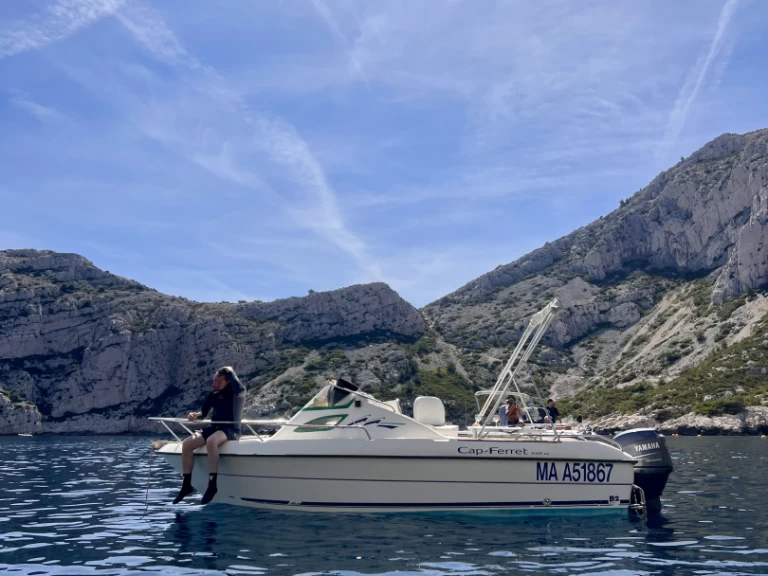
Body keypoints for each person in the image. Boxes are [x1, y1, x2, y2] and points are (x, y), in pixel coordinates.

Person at [173, 366, 246, 505]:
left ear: (227, 381)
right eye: (214, 380)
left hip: (230, 429)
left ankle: (212, 485)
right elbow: (204, 413)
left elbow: (239, 385)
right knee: (187, 444)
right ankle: (186, 485)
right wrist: (195, 415)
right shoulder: (213, 395)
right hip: (214, 428)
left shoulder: (236, 394)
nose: (214, 384)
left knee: (212, 441)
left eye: (218, 381)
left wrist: (229, 370)